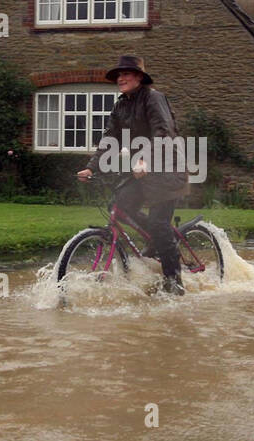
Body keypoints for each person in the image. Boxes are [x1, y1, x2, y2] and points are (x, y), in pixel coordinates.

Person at [76, 55, 189, 295]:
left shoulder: (153, 98)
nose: (121, 78)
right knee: (120, 205)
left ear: (139, 77)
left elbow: (163, 131)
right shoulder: (121, 105)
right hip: (142, 170)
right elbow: (110, 139)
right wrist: (91, 167)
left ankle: (174, 284)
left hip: (167, 169)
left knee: (159, 223)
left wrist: (145, 157)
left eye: (126, 73)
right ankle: (156, 241)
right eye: (118, 75)